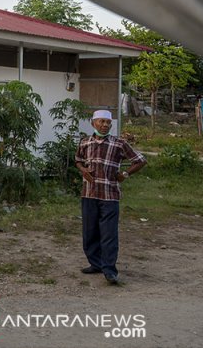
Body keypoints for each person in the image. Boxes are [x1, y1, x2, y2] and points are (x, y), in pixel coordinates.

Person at [75, 109, 146, 285]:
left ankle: (109, 270)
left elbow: (140, 160)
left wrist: (125, 174)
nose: (105, 125)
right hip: (89, 194)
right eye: (101, 122)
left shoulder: (119, 144)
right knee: (89, 232)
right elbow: (77, 159)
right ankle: (95, 264)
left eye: (108, 123)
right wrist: (83, 170)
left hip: (110, 195)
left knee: (109, 234)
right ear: (93, 123)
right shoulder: (85, 143)